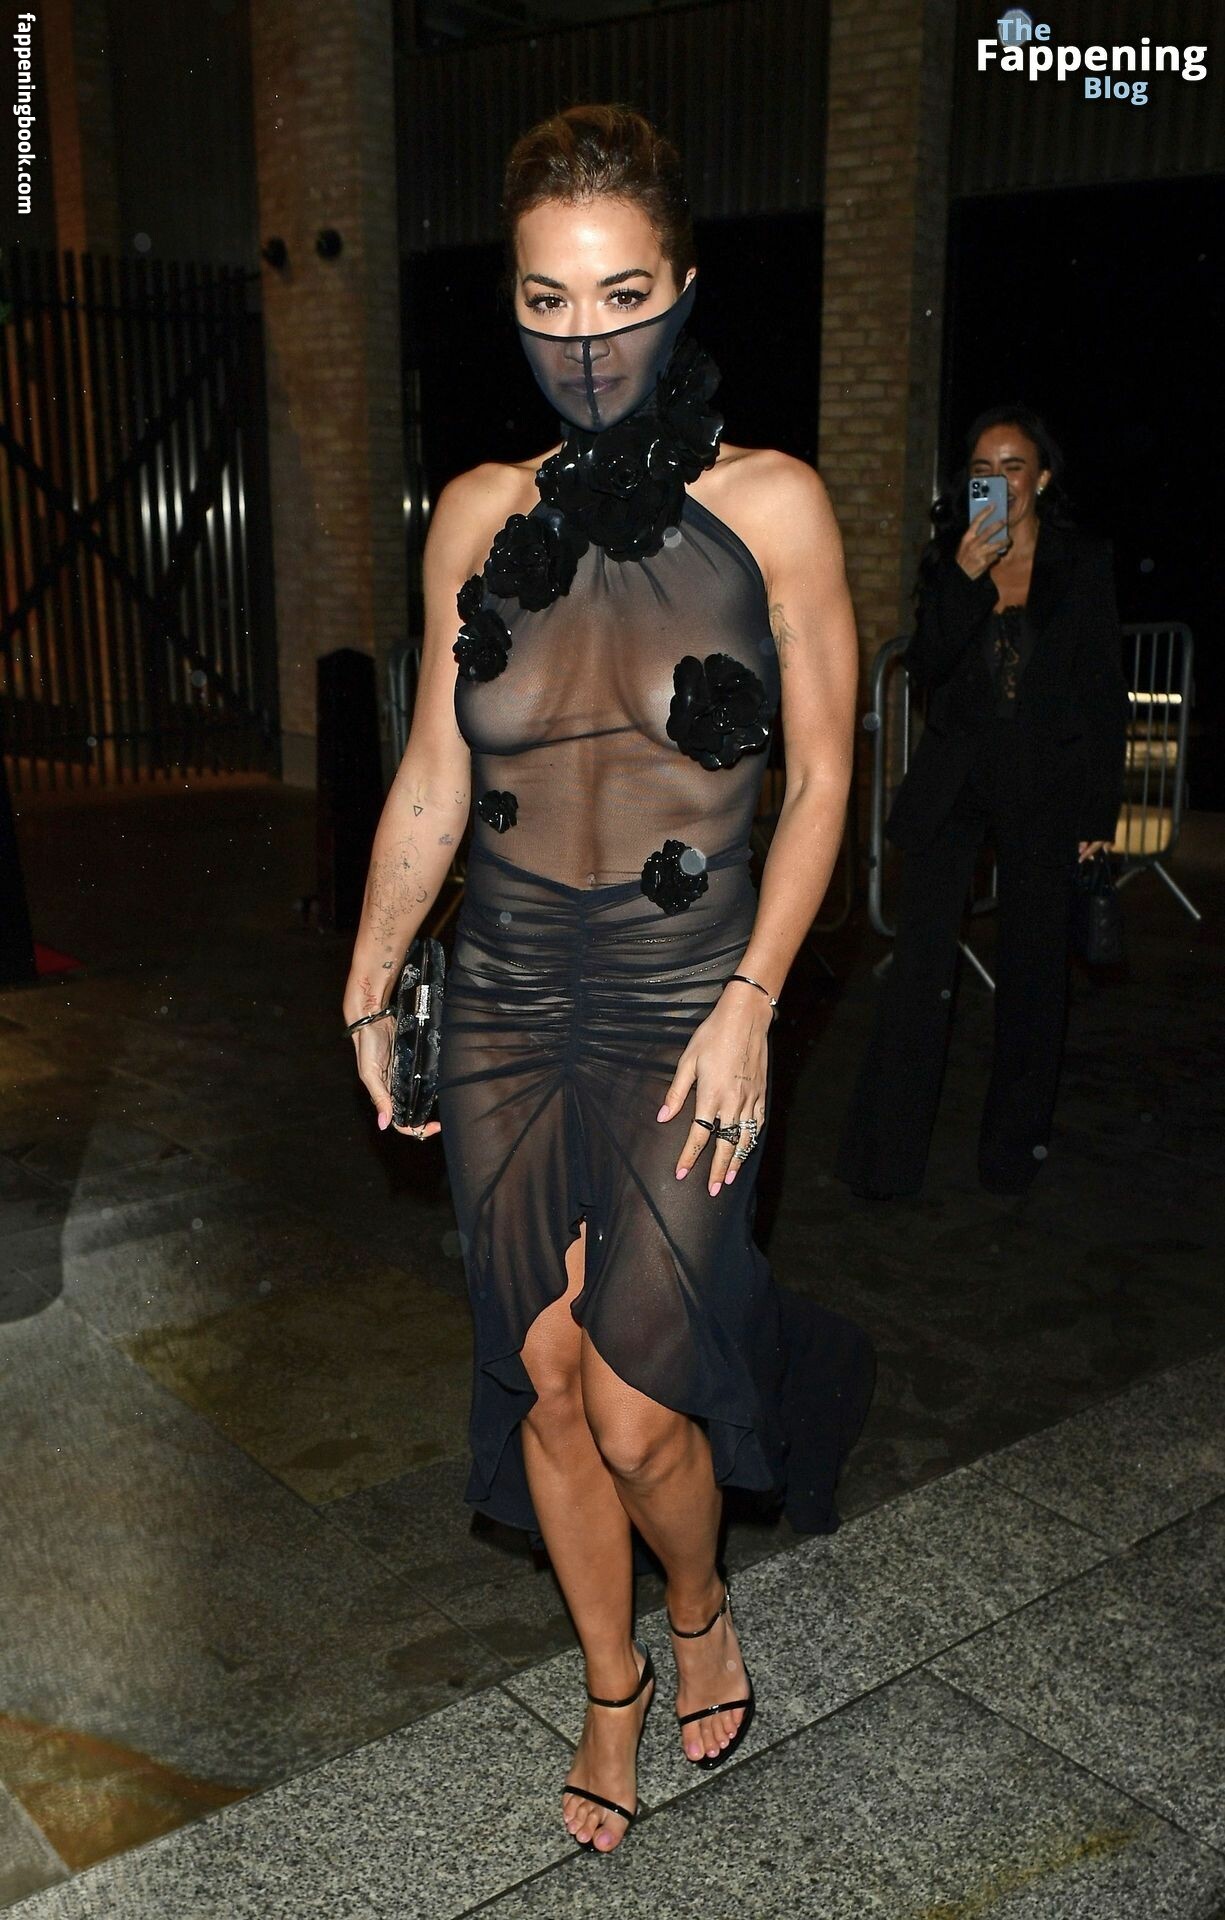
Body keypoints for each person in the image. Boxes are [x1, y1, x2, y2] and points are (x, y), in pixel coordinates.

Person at [343, 104, 874, 1854]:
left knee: (644, 1406)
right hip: (503, 997)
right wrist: (371, 975)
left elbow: (824, 779)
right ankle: (609, 1682)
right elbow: (434, 777)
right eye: (547, 302)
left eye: (623, 295)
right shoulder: (474, 517)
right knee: (546, 1378)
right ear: (510, 300)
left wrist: (757, 999)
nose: (585, 340)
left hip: (684, 998)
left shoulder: (772, 504)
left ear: (687, 284)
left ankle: (698, 1604)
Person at [835, 404, 1132, 1200]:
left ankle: (1010, 1157)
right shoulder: (950, 557)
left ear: (1041, 478)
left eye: (1011, 467)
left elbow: (1103, 695)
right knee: (920, 972)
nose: (996, 481)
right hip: (954, 782)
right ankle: (886, 1162)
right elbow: (927, 668)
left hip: (1045, 787)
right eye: (980, 469)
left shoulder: (1082, 562)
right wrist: (964, 578)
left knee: (1033, 973)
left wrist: (1097, 819)